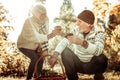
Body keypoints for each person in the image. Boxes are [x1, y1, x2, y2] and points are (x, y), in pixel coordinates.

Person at [49, 10, 108, 80]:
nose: (77, 24)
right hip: (78, 64)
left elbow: (98, 50)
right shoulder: (75, 31)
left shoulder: (99, 33)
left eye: (80, 21)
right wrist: (55, 56)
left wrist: (82, 42)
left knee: (102, 58)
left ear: (88, 24)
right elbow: (64, 42)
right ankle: (72, 78)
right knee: (65, 51)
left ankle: (98, 75)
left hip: (92, 66)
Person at [17, 4, 61, 80]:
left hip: (35, 45)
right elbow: (35, 37)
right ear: (34, 14)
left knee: (41, 58)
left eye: (45, 14)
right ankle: (28, 78)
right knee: (35, 58)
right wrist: (51, 35)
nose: (43, 16)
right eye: (41, 14)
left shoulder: (46, 19)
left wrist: (53, 32)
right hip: (24, 45)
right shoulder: (29, 22)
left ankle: (37, 77)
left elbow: (45, 33)